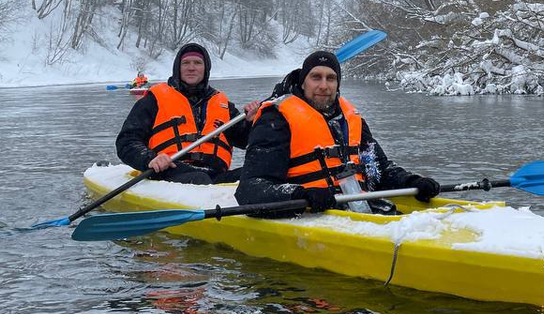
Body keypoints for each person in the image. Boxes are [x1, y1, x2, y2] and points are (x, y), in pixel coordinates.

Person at [235, 49, 441, 215]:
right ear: (303, 82)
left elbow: (377, 169)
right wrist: (301, 195)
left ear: (337, 83)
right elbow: (250, 189)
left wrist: (411, 181)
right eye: (316, 77)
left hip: (354, 207)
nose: (324, 85)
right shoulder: (276, 119)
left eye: (330, 78)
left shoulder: (352, 119)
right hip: (310, 212)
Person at [116, 42, 256, 184]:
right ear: (178, 68)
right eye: (185, 63)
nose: (191, 68)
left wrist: (251, 123)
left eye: (197, 63)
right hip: (169, 171)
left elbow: (245, 141)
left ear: (205, 68)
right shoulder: (154, 99)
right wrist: (150, 159)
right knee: (199, 179)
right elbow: (126, 142)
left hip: (215, 175)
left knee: (256, 172)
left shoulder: (222, 103)